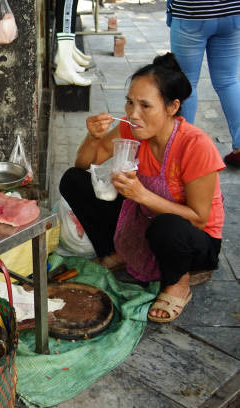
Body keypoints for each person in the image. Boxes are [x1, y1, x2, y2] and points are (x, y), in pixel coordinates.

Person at [59, 53, 225, 323]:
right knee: (74, 180)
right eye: (129, 102)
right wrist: (93, 137)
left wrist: (141, 195)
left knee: (167, 227)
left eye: (145, 106)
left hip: (194, 241)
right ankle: (120, 254)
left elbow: (198, 218)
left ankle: (178, 283)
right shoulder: (132, 130)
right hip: (144, 219)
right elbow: (85, 162)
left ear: (172, 107)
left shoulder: (195, 145)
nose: (132, 114)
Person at [167, 0, 240, 166]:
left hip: (192, 11)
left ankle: (182, 152)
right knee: (228, 81)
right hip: (232, 11)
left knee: (186, 83)